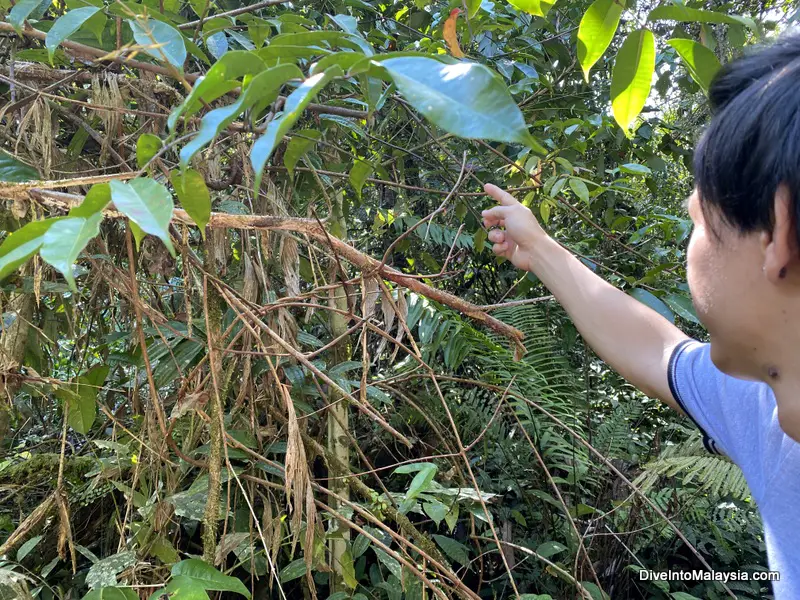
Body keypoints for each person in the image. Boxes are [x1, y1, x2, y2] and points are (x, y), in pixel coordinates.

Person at [480, 33, 800, 599]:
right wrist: (542, 250)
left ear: (777, 231)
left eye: (698, 219)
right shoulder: (772, 409)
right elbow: (659, 353)